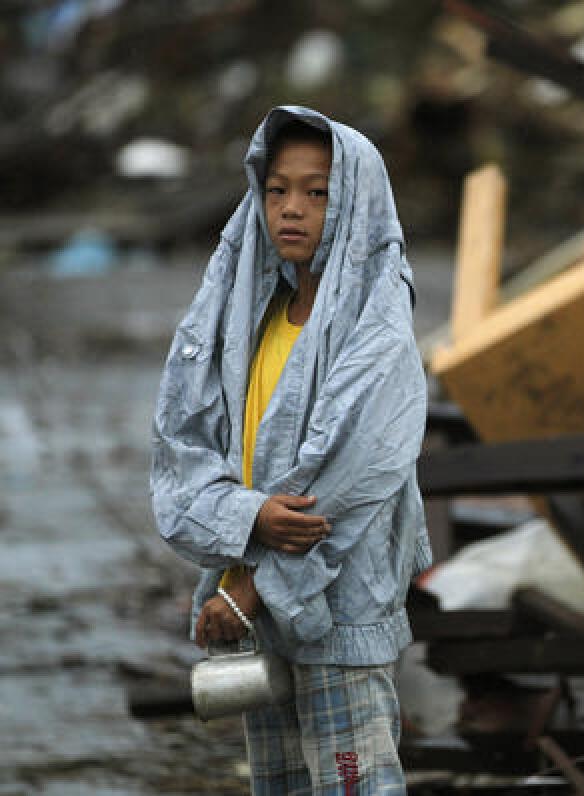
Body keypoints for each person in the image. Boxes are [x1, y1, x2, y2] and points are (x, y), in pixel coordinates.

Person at [151, 105, 431, 794]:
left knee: (354, 785)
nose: (293, 210)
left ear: (355, 199)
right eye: (278, 190)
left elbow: (341, 483)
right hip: (266, 614)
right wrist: (241, 524)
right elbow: (188, 439)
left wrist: (247, 590)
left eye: (318, 192)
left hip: (338, 614)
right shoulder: (257, 314)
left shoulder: (378, 323)